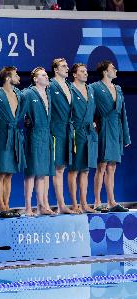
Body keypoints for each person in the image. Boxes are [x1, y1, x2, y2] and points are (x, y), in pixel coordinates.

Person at [92, 61, 131, 212]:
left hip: (116, 130)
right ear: (105, 71)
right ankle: (97, 202)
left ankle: (111, 202)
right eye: (112, 68)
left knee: (112, 167)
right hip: (103, 128)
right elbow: (90, 108)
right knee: (101, 165)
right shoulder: (94, 87)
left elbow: (123, 114)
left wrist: (126, 136)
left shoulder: (118, 88)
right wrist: (92, 124)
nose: (115, 70)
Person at [0, 66, 25, 218]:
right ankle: (1, 207)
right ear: (8, 78)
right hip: (2, 135)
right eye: (16, 75)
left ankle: (7, 205)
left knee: (9, 173)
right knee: (1, 173)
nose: (19, 78)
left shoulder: (19, 94)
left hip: (15, 135)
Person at [23, 67, 55, 216]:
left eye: (46, 75)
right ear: (36, 79)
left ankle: (41, 206)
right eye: (43, 75)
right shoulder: (29, 93)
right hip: (34, 135)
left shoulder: (48, 93)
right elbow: (20, 111)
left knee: (42, 173)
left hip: (46, 135)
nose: (46, 77)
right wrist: (25, 121)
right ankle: (28, 207)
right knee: (31, 173)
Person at [68, 63, 98, 213]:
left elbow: (94, 110)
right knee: (74, 169)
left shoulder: (90, 89)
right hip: (76, 132)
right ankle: (74, 204)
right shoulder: (70, 89)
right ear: (74, 74)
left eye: (86, 71)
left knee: (85, 170)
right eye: (82, 71)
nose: (86, 73)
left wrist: (93, 123)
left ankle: (84, 203)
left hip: (89, 132)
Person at [49, 58, 77, 214]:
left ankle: (63, 204)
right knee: (57, 168)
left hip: (68, 130)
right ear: (56, 70)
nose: (67, 68)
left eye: (67, 66)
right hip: (56, 130)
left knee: (64, 167)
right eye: (64, 66)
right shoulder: (51, 85)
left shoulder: (69, 86)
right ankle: (61, 205)